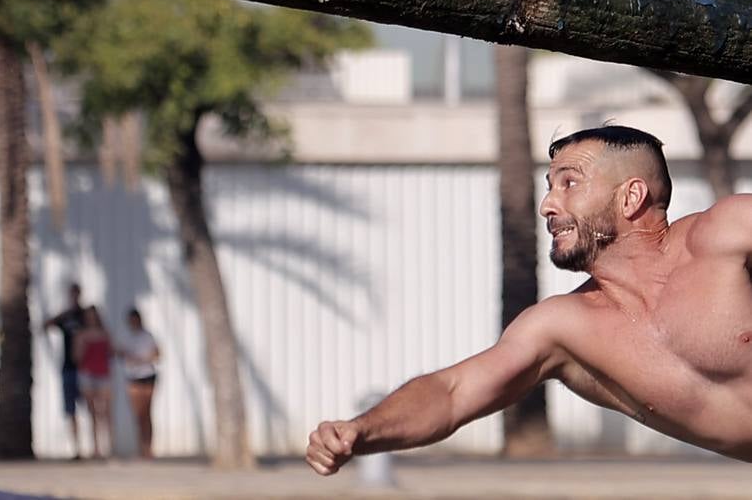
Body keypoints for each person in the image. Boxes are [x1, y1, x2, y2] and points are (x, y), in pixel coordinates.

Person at [307, 124, 752, 474]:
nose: (547, 205)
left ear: (631, 196)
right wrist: (362, 430)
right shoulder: (563, 328)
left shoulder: (727, 233)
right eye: (548, 185)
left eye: (569, 184)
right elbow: (451, 392)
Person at [44, 282, 85, 459]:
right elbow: (47, 324)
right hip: (68, 367)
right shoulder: (67, 317)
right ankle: (77, 449)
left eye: (76, 293)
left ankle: (98, 449)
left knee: (92, 407)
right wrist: (66, 312)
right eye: (71, 294)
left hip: (85, 369)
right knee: (71, 410)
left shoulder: (86, 315)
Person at [117, 307, 160, 458]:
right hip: (133, 377)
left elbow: (157, 354)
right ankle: (141, 448)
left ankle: (149, 448)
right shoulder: (126, 336)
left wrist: (141, 359)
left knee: (147, 412)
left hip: (147, 376)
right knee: (138, 414)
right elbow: (120, 353)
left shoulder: (147, 336)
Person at [73, 305, 114, 459]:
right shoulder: (81, 335)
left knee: (106, 411)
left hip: (103, 374)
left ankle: (110, 446)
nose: (91, 319)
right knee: (93, 412)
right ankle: (96, 447)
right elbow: (76, 357)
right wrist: (82, 346)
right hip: (88, 375)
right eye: (88, 316)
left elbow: (111, 352)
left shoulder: (105, 334)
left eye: (93, 315)